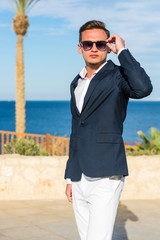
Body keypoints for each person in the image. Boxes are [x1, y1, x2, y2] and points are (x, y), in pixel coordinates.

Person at [64, 20, 152, 240]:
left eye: (100, 44)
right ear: (79, 48)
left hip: (106, 175)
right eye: (88, 44)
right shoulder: (77, 83)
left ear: (107, 46)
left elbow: (143, 88)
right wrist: (69, 178)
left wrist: (122, 50)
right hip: (79, 176)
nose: (94, 48)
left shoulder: (118, 76)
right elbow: (77, 130)